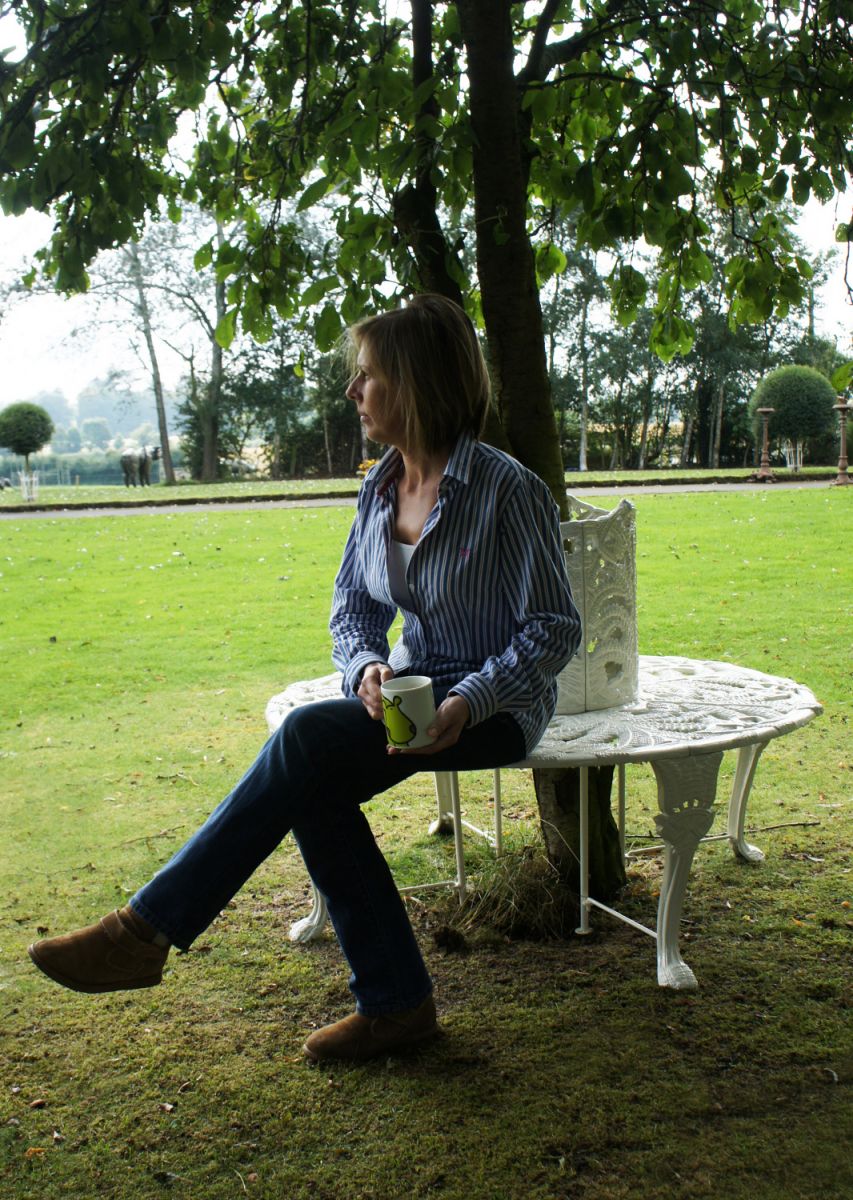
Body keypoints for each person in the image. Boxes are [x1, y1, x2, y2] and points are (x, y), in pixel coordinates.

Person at [28, 294, 581, 1062]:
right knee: (312, 784)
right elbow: (351, 607)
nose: (353, 393)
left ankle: (144, 931)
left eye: (367, 377)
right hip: (409, 695)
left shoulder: (506, 490)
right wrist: (364, 667)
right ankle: (396, 1007)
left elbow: (553, 629)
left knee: (303, 740)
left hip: (499, 705)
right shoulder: (379, 487)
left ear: (417, 382)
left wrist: (469, 698)